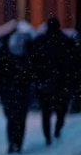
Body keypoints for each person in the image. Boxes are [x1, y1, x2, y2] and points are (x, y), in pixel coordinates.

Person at [29, 16, 79, 145]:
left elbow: (33, 61)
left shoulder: (40, 42)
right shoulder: (66, 42)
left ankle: (48, 137)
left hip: (46, 83)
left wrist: (36, 78)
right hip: (62, 83)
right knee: (60, 111)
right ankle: (57, 132)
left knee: (46, 113)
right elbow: (73, 64)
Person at [0, 26, 34, 154]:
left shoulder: (5, 54)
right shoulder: (27, 55)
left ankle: (12, 143)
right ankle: (17, 143)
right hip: (21, 91)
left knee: (12, 118)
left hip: (9, 91)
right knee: (20, 118)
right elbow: (33, 73)